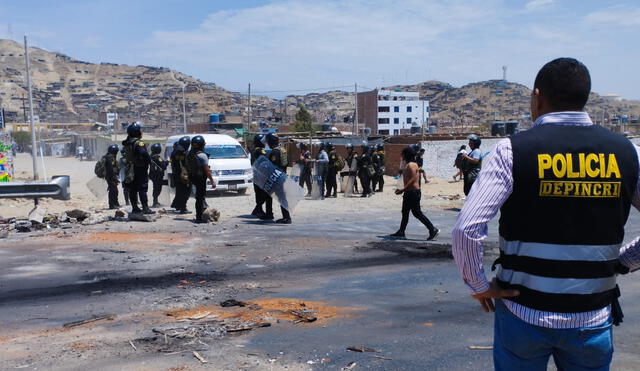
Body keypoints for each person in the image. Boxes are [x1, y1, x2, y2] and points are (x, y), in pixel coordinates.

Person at [452, 57, 640, 370]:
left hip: (524, 314)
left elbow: (467, 229)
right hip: (591, 318)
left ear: (537, 97)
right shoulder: (625, 152)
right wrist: (625, 260)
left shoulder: (512, 150)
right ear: (584, 98)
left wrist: (479, 285)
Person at [390, 146, 439, 240]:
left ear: (406, 155)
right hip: (410, 192)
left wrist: (403, 190)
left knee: (417, 213)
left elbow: (413, 179)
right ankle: (401, 231)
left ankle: (432, 229)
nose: (401, 156)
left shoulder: (411, 165)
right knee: (405, 212)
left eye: (403, 154)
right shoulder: (409, 164)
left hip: (413, 192)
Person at [121, 123, 154, 214]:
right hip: (140, 169)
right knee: (142, 188)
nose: (141, 132)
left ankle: (135, 207)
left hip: (130, 169)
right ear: (137, 132)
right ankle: (145, 208)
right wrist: (148, 161)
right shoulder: (139, 143)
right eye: (140, 130)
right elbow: (143, 153)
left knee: (133, 189)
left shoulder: (127, 142)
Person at [186, 135, 216, 223]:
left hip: (192, 177)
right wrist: (212, 181)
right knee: (200, 197)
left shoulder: (189, 154)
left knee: (199, 197)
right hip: (200, 179)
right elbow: (207, 171)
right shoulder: (202, 155)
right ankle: (199, 217)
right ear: (202, 145)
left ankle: (202, 212)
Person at [266, 133, 292, 224]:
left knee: (281, 198)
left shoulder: (275, 152)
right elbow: (287, 163)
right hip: (283, 176)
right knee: (282, 197)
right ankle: (285, 216)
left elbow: (273, 166)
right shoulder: (283, 150)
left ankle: (287, 218)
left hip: (277, 178)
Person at [170, 136, 192, 214]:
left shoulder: (175, 151)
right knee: (186, 192)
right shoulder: (183, 152)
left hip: (176, 175)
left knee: (180, 192)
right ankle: (183, 208)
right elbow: (186, 164)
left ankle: (177, 205)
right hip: (183, 175)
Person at [250, 134, 269, 218]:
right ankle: (258, 209)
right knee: (262, 194)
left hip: (256, 175)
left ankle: (257, 209)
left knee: (258, 194)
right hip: (260, 175)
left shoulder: (254, 150)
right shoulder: (260, 151)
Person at [149, 143, 167, 208]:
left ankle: (155, 201)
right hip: (158, 175)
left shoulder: (151, 156)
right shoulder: (157, 157)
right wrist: (168, 161)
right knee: (157, 188)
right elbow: (163, 166)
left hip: (153, 175)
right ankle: (155, 202)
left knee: (155, 188)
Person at [104, 144, 120, 209]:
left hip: (110, 176)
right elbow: (111, 168)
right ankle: (112, 205)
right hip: (111, 176)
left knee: (114, 190)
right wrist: (114, 177)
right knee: (113, 190)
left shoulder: (108, 156)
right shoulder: (111, 158)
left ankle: (115, 203)